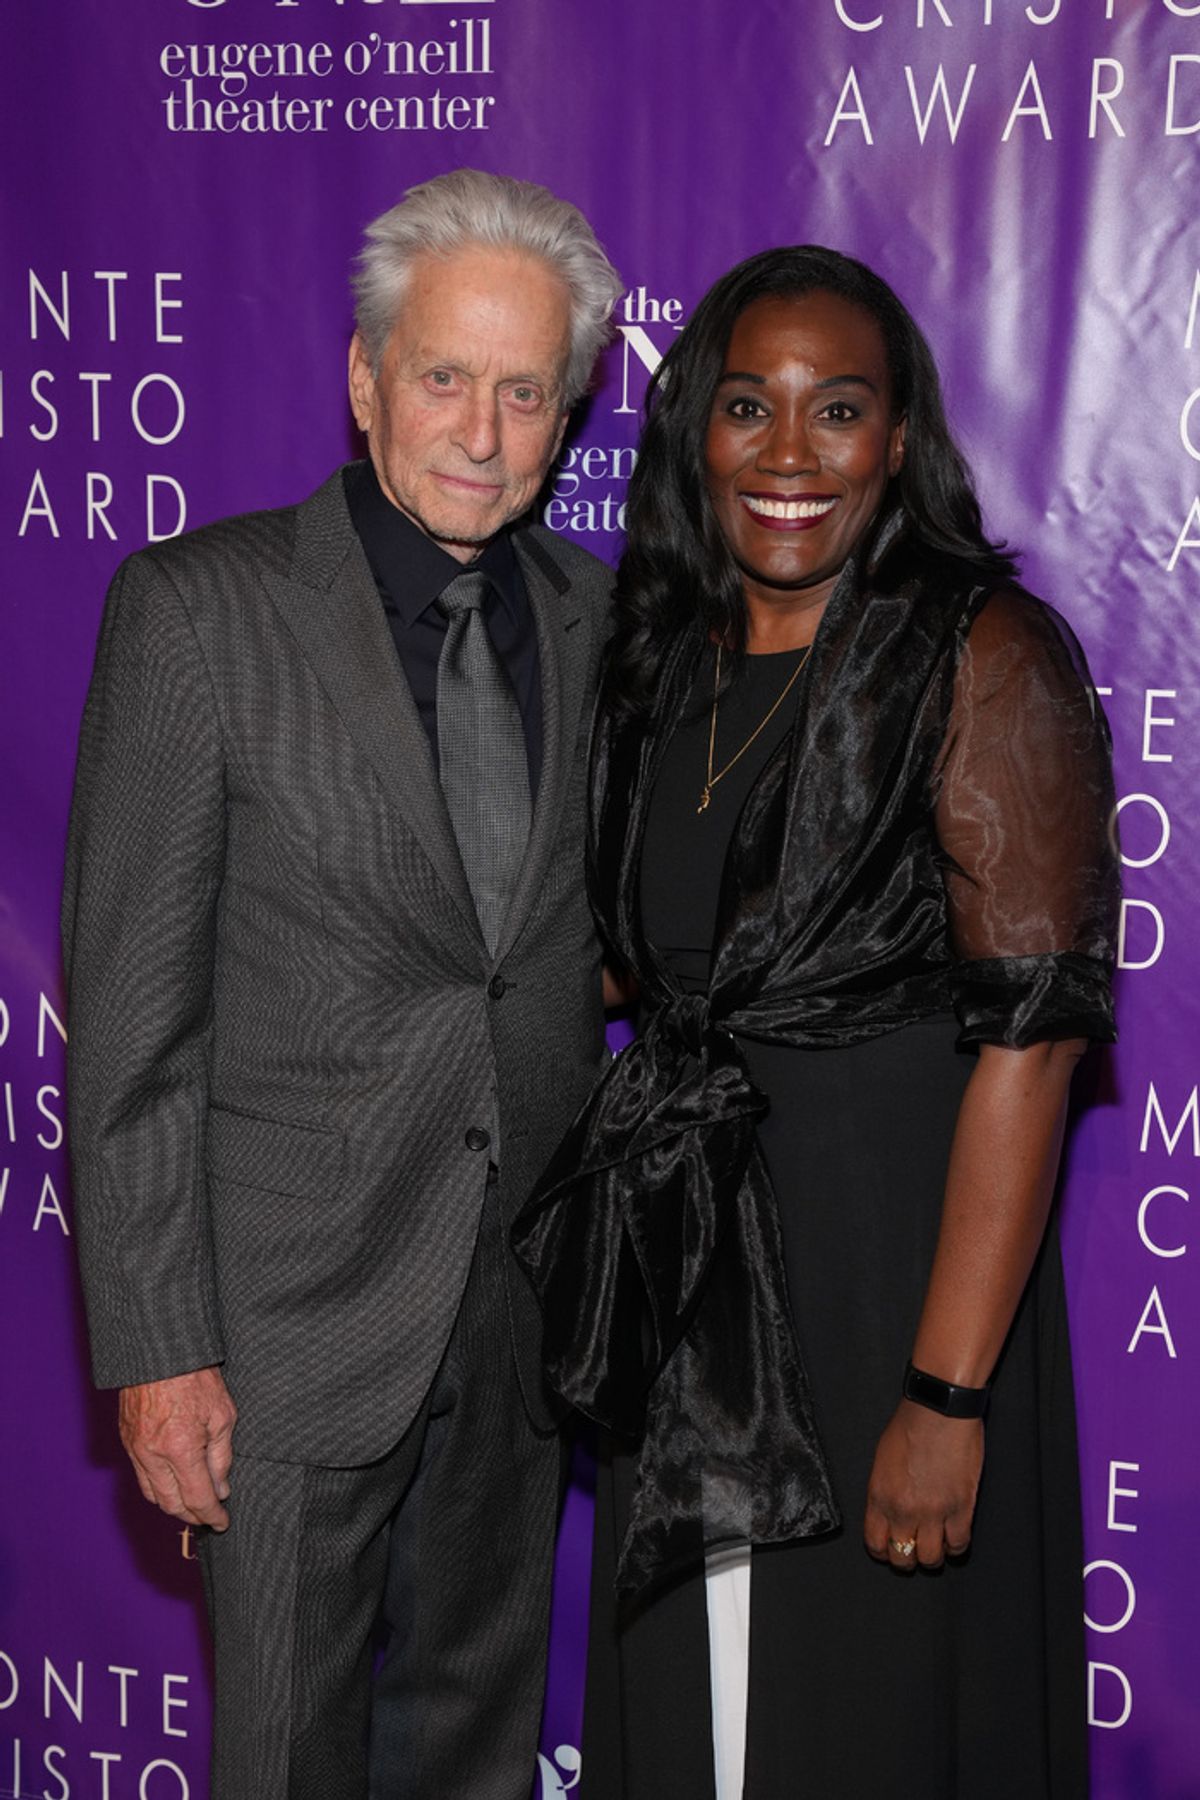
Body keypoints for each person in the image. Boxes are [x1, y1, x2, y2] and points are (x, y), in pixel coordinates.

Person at [514, 246, 1119, 1799]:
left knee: (864, 1721)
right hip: (690, 1267)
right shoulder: (660, 666)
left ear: (899, 437)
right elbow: (639, 968)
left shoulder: (983, 656)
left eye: (836, 410)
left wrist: (946, 1393)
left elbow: (1032, 1045)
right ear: (692, 436)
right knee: (704, 1714)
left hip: (888, 1285)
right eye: (747, 408)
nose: (788, 453)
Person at [61, 169, 622, 1800]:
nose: (481, 429)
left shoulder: (604, 627)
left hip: (517, 1312)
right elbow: (135, 1030)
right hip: (287, 1328)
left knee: (474, 1746)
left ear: (568, 414)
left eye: (527, 393)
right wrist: (160, 1350)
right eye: (445, 376)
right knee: (289, 1758)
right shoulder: (200, 614)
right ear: (365, 379)